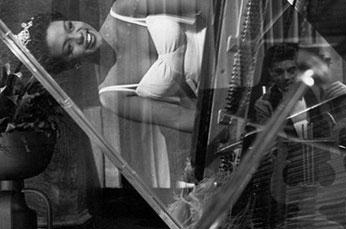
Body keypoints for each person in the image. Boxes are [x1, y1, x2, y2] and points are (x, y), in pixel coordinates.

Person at [21, 0, 211, 133]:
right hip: (219, 87)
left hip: (225, 32)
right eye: (69, 47)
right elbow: (179, 118)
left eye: (69, 26)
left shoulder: (125, 9)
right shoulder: (112, 96)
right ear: (71, 63)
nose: (78, 36)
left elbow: (201, 3)